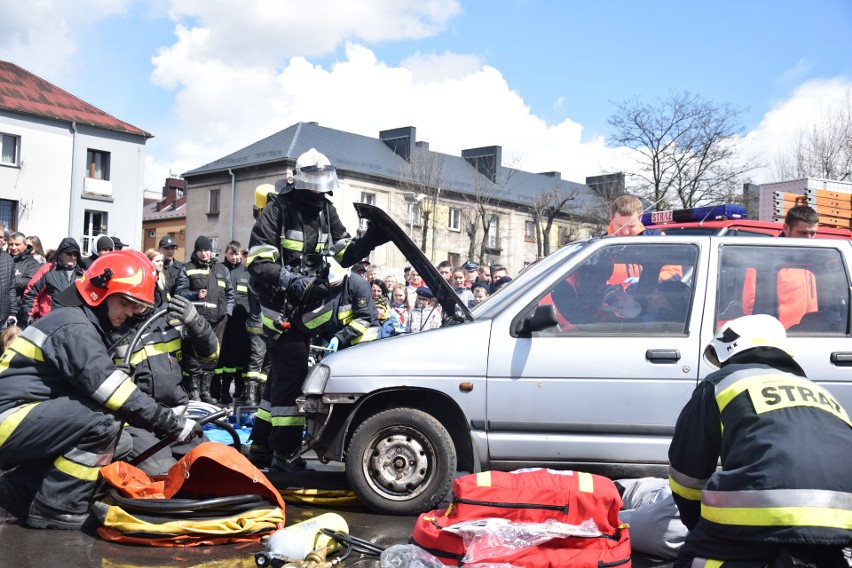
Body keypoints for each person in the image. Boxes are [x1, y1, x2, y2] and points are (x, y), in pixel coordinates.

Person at [0, 250, 202, 530]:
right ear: (99, 294)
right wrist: (171, 423)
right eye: (127, 303)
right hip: (9, 421)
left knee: (121, 441)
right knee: (105, 420)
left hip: (18, 419)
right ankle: (56, 508)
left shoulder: (78, 323)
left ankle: (14, 493)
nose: (132, 312)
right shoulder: (74, 326)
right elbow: (112, 393)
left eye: (139, 307)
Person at [668, 314, 852, 567]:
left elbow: (687, 475)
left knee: (696, 560)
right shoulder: (819, 392)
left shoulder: (721, 383)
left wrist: (698, 527)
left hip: (757, 511)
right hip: (841, 518)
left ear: (730, 353)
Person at [246, 147, 388, 470]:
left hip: (307, 308)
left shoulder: (326, 210)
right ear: (298, 181)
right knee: (294, 377)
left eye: (322, 182)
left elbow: (342, 253)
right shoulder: (278, 210)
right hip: (279, 309)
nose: (318, 189)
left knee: (280, 379)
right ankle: (283, 454)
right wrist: (289, 280)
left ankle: (260, 447)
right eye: (312, 182)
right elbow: (257, 261)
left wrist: (367, 242)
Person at [109, 259, 218, 476]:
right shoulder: (112, 325)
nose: (137, 301)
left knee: (215, 467)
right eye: (129, 296)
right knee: (163, 475)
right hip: (136, 425)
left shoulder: (171, 320)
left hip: (177, 421)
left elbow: (210, 356)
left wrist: (196, 323)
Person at [175, 235, 233, 405]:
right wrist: (195, 295)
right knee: (193, 356)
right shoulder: (188, 268)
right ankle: (194, 391)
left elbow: (230, 294)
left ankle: (205, 391)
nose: (204, 253)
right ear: (196, 251)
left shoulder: (222, 269)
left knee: (212, 356)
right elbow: (179, 292)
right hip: (196, 320)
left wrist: (227, 313)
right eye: (200, 250)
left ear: (211, 251)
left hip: (219, 320)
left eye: (206, 250)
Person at [20, 237, 85, 325]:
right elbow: (31, 293)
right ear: (60, 253)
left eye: (75, 254)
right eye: (69, 253)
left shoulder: (82, 274)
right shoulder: (48, 270)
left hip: (74, 322)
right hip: (48, 321)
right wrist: (28, 315)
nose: (72, 257)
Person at [218, 240, 251, 405]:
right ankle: (222, 391)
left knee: (242, 356)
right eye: (231, 254)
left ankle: (241, 389)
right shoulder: (219, 270)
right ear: (226, 253)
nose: (234, 257)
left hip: (242, 321)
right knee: (224, 356)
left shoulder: (246, 271)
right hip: (224, 320)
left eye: (237, 254)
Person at [8, 231, 42, 325]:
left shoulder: (32, 263)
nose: (13, 247)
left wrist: (6, 280)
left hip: (20, 311)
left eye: (17, 244)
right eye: (11, 244)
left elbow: (28, 282)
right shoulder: (5, 259)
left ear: (25, 245)